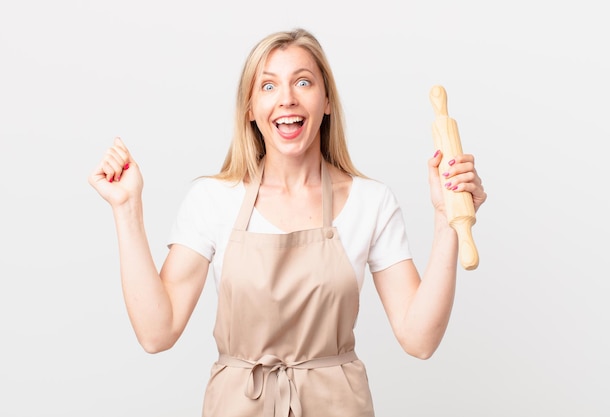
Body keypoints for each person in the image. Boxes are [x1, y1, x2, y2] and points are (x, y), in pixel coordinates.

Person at [89, 28, 487, 417]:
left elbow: (419, 339)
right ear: (249, 109)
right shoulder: (213, 199)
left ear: (326, 101)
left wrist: (446, 220)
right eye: (268, 86)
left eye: (303, 82)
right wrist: (127, 209)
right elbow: (157, 333)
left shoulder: (372, 201)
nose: (287, 99)